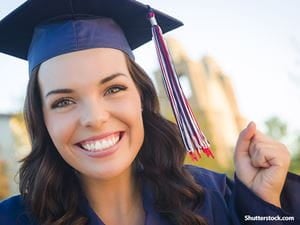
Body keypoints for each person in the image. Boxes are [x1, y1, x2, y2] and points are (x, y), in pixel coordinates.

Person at [0, 0, 299, 225]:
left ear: (141, 97)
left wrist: (263, 204)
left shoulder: (217, 198)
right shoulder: (13, 219)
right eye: (63, 102)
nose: (95, 117)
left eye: (113, 89)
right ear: (43, 120)